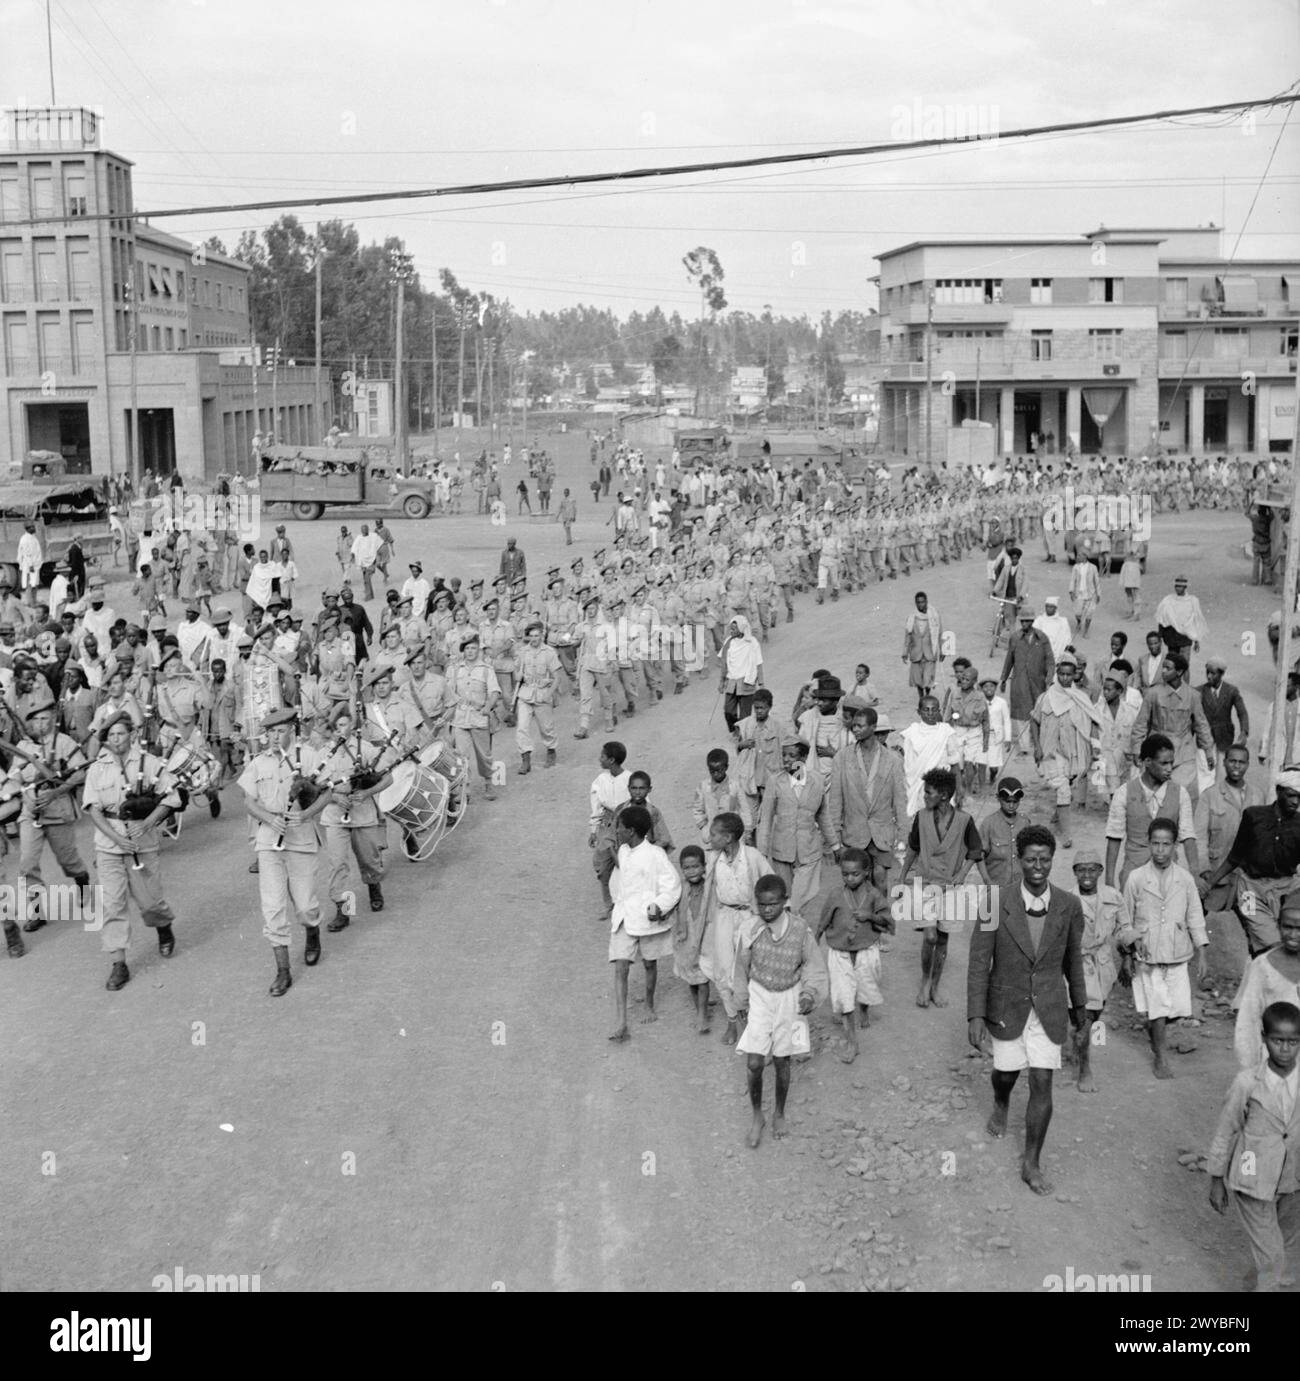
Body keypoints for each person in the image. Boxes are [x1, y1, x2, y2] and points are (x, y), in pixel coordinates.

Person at [967, 823, 1087, 1195]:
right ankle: (1001, 1102)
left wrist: (1079, 1011)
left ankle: (1031, 1162)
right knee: (1006, 1073)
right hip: (1006, 1005)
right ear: (1018, 860)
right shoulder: (994, 903)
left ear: (1053, 861)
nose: (1038, 866)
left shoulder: (1068, 905)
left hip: (1048, 1007)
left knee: (1042, 1080)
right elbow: (978, 962)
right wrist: (975, 1015)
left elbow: (1074, 960)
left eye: (1045, 860)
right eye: (1031, 859)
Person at [81, 712, 182, 990]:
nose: (116, 740)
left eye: (121, 734)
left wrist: (148, 822)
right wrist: (116, 838)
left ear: (132, 734)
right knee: (111, 904)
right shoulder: (97, 768)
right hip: (109, 846)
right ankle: (118, 963)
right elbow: (94, 810)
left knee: (150, 901)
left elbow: (172, 798)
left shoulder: (148, 763)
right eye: (111, 735)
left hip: (142, 840)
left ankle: (163, 926)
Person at [238, 706, 333, 996]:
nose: (275, 737)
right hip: (269, 840)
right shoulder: (258, 762)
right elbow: (249, 801)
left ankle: (312, 930)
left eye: (281, 731)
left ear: (293, 730)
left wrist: (307, 815)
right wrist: (269, 818)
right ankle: (282, 971)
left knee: (305, 905)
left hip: (301, 837)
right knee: (273, 908)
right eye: (271, 732)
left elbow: (328, 791)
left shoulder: (310, 756)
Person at [1208, 1000, 1300, 1293]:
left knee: (1283, 1240)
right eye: (1277, 1040)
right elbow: (1225, 1129)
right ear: (1264, 1037)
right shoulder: (1247, 1082)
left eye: (1293, 1042)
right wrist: (1216, 1179)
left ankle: (1254, 1284)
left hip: (1291, 1180)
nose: (1284, 1049)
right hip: (1252, 1179)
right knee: (1272, 1256)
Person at [733, 873, 827, 1148]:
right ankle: (756, 1116)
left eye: (773, 904)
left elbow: (813, 966)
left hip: (789, 997)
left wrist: (809, 995)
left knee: (783, 1060)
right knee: (754, 1062)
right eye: (762, 905)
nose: (767, 910)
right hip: (760, 995)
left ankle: (780, 1113)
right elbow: (740, 967)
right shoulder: (750, 929)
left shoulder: (800, 930)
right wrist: (741, 999)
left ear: (785, 902)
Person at [1118, 817, 1208, 1079]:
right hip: (1147, 954)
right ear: (1148, 844)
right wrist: (1127, 956)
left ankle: (1155, 1032)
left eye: (1165, 844)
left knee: (1174, 1010)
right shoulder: (1136, 878)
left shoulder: (1185, 879)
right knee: (1157, 1008)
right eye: (1155, 844)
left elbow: (1194, 915)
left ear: (1174, 846)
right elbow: (1125, 919)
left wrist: (1202, 952)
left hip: (1177, 952)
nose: (1160, 850)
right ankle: (1160, 1056)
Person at [899, 766, 988, 1009]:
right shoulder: (921, 817)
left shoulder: (964, 820)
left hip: (951, 887)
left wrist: (961, 874)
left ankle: (936, 986)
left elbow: (975, 851)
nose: (925, 797)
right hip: (926, 884)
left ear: (944, 795)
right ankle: (925, 982)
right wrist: (902, 875)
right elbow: (913, 848)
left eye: (929, 793)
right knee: (929, 936)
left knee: (943, 938)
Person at [2, 703, 92, 932]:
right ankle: (37, 910)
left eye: (45, 719)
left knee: (68, 860)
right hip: (30, 811)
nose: (40, 724)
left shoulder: (64, 742)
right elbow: (15, 777)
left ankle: (82, 881)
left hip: (58, 809)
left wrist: (57, 791)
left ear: (52, 719)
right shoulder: (23, 746)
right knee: (27, 863)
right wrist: (17, 791)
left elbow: (80, 773)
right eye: (36, 720)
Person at [1199, 771, 1300, 959]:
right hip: (1249, 891)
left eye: (1299, 797)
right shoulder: (1254, 816)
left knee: (1288, 941)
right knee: (1272, 944)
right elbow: (1234, 857)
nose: (1296, 802)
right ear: (1278, 792)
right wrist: (1209, 884)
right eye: (1292, 795)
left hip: (1285, 890)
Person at [607, 803, 681, 1043]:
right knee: (620, 967)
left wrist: (659, 907)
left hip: (647, 920)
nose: (616, 831)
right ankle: (621, 1022)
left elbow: (672, 886)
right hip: (624, 916)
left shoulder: (655, 855)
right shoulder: (624, 852)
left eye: (619, 828)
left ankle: (649, 1004)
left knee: (650, 964)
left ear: (631, 831)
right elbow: (618, 880)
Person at [699, 811, 772, 1045]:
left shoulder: (752, 857)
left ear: (728, 837)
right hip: (723, 917)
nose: (709, 838)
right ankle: (733, 1021)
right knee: (723, 971)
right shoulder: (712, 859)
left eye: (714, 834)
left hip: (750, 918)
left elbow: (772, 885)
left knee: (751, 972)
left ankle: (756, 1023)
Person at [825, 701, 909, 900]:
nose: (856, 729)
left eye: (860, 726)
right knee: (856, 882)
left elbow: (900, 800)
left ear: (873, 727)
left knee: (880, 877)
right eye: (854, 725)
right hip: (854, 832)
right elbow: (835, 801)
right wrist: (834, 840)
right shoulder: (842, 758)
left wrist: (903, 836)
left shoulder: (893, 760)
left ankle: (879, 918)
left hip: (882, 832)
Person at [815, 847, 890, 1063]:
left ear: (867, 872)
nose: (850, 878)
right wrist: (815, 940)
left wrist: (871, 917)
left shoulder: (874, 895)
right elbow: (823, 919)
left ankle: (864, 1009)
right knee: (843, 994)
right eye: (845, 874)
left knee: (866, 988)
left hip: (867, 951)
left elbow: (887, 921)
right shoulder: (836, 895)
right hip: (839, 952)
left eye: (855, 874)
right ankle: (851, 1041)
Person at [1029, 652, 1102, 849]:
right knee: (1062, 789)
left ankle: (1057, 817)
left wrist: (1094, 747)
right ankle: (1066, 834)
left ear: (1074, 675)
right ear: (1057, 674)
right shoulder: (1046, 698)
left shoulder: (1080, 698)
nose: (1065, 678)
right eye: (1061, 674)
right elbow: (1034, 722)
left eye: (1069, 675)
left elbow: (1092, 723)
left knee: (1068, 785)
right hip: (1050, 751)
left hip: (1074, 751)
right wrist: (1037, 746)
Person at [756, 735, 832, 922]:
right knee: (786, 894)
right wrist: (762, 852)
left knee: (799, 898)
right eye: (784, 755)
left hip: (809, 849)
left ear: (804, 758)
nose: (787, 759)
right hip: (782, 849)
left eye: (791, 755)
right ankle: (791, 930)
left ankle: (795, 925)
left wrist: (835, 844)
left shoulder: (817, 781)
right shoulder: (775, 781)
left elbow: (823, 815)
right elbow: (765, 819)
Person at [1070, 847, 1127, 1092]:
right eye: (1081, 870)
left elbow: (1123, 928)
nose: (1086, 875)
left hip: (1103, 964)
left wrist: (1128, 959)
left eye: (1092, 869)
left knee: (1095, 1016)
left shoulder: (1113, 896)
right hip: (1077, 964)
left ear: (1100, 871)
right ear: (1074, 872)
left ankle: (1080, 1041)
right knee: (1084, 1019)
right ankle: (1085, 1070)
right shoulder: (1067, 898)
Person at [1233, 901, 1300, 1070]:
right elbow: (1248, 1021)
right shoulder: (1262, 966)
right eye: (1287, 927)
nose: (1293, 935)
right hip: (1276, 1061)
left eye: (1299, 929)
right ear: (1278, 926)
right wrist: (1249, 1069)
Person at [448, 632, 503, 802]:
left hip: (480, 716)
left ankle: (488, 783)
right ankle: (466, 788)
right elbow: (448, 693)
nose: (470, 651)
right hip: (460, 717)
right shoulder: (455, 669)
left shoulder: (486, 669)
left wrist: (487, 707)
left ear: (478, 650)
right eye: (467, 649)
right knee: (461, 755)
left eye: (473, 648)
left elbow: (494, 691)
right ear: (463, 651)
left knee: (484, 755)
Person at [999, 609, 1054, 757]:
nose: (1024, 624)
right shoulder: (1015, 638)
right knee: (1021, 712)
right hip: (1020, 680)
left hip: (1038, 681)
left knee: (1038, 711)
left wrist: (1049, 679)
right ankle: (1024, 747)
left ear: (1032, 621)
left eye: (1027, 621)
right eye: (1022, 621)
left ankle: (1037, 742)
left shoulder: (1042, 638)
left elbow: (1050, 660)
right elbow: (1009, 659)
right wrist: (1004, 678)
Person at [589, 740, 631, 917]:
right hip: (607, 826)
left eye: (603, 756)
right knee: (602, 866)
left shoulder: (630, 779)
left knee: (626, 865)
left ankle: (627, 902)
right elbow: (596, 806)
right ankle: (609, 903)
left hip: (627, 827)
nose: (600, 759)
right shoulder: (600, 780)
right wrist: (593, 830)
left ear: (612, 760)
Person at [672, 844, 712, 1033]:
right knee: (691, 978)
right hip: (686, 942)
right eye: (686, 868)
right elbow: (670, 906)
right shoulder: (680, 889)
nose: (691, 871)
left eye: (695, 866)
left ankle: (702, 1014)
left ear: (704, 867)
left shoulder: (710, 888)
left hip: (704, 938)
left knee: (703, 977)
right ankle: (699, 1009)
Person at [899, 694, 960, 817]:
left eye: (934, 710)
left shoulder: (946, 731)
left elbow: (954, 762)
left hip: (941, 783)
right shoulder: (911, 733)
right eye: (926, 710)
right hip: (918, 783)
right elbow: (906, 760)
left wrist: (958, 787)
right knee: (921, 816)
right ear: (919, 712)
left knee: (942, 817)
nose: (930, 713)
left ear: (939, 711)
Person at [514, 620, 560, 774]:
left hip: (542, 693)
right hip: (525, 693)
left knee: (546, 728)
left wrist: (548, 695)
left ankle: (551, 749)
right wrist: (517, 675)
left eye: (537, 635)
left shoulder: (549, 652)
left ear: (542, 635)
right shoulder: (522, 652)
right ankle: (525, 760)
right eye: (531, 636)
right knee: (522, 728)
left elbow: (557, 677)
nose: (534, 639)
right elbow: (516, 673)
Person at [692, 747, 750, 844]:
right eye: (712, 771)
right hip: (712, 836)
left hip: (732, 835)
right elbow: (697, 809)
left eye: (719, 770)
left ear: (726, 767)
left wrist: (746, 829)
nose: (716, 774)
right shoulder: (703, 787)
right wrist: (704, 827)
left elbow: (745, 809)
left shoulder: (735, 786)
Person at [1200, 657, 1250, 767]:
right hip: (1205, 738)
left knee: (1223, 769)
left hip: (1224, 737)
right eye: (1207, 672)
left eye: (1213, 673)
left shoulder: (1231, 691)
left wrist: (1244, 732)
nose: (1209, 676)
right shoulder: (1199, 691)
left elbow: (1242, 713)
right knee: (1205, 771)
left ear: (1221, 674)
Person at [717, 615, 763, 734]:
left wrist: (761, 684)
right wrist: (721, 682)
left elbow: (758, 664)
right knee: (728, 711)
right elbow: (724, 663)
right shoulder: (728, 642)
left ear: (742, 629)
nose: (731, 631)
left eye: (734, 629)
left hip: (747, 682)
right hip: (731, 682)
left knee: (745, 715)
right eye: (730, 629)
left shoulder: (752, 642)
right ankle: (734, 729)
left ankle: (742, 734)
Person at [978, 776, 1025, 891]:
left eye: (1015, 801)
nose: (1011, 805)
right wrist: (987, 881)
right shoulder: (989, 824)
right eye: (1007, 801)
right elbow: (979, 856)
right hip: (996, 887)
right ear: (998, 798)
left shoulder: (1025, 823)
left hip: (1021, 887)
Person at [1153, 573, 1208, 671]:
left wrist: (1197, 640)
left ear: (1185, 587)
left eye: (1180, 586)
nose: (1178, 588)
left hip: (1185, 638)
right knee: (1172, 665)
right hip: (1171, 638)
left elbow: (1196, 621)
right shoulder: (1167, 601)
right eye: (1176, 586)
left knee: (1184, 665)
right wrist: (1160, 637)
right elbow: (1162, 620)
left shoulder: (1192, 601)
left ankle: (1185, 686)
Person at [901, 591, 944, 708]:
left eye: (923, 602)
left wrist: (942, 650)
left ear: (926, 602)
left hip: (930, 653)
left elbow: (940, 633)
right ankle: (922, 699)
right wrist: (905, 652)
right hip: (916, 653)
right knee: (918, 680)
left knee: (928, 678)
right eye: (918, 602)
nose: (921, 604)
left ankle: (927, 696)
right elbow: (908, 636)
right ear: (916, 603)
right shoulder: (911, 618)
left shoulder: (934, 616)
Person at [623, 770, 673, 854]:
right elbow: (612, 837)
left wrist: (647, 851)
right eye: (634, 788)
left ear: (649, 789)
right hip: (624, 856)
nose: (637, 792)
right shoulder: (622, 810)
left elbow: (664, 839)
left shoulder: (653, 812)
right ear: (628, 788)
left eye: (642, 788)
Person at [1068, 553, 1100, 638]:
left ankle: (1086, 631)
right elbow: (1072, 579)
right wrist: (1071, 591)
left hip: (1090, 593)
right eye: (1077, 556)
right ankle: (1079, 622)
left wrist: (1098, 593)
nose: (1077, 557)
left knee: (1089, 613)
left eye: (1080, 556)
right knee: (1077, 612)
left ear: (1085, 556)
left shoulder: (1093, 567)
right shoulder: (1075, 567)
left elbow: (1096, 581)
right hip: (1079, 593)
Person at [1032, 596, 1072, 662]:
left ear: (1055, 608)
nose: (1049, 609)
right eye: (1047, 606)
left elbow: (1067, 639)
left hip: (1058, 656)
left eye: (1051, 607)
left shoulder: (1063, 622)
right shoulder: (1039, 620)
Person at [350, 524, 381, 601]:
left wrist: (378, 559)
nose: (365, 531)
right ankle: (370, 594)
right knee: (366, 579)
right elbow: (354, 548)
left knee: (367, 579)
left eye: (366, 529)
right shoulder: (359, 538)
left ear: (368, 529)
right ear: (361, 530)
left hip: (371, 561)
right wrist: (353, 557)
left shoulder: (373, 537)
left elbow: (379, 546)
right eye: (363, 530)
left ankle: (368, 596)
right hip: (362, 563)